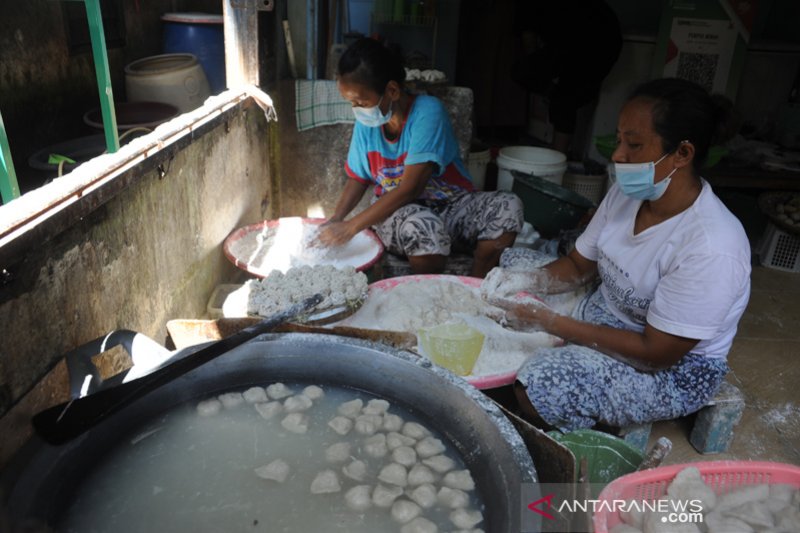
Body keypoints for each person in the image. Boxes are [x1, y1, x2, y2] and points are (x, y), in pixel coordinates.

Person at [481, 78, 751, 432]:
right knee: (512, 266)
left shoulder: (712, 247)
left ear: (682, 154)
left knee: (542, 382)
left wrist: (549, 322)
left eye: (634, 144)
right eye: (620, 139)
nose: (618, 155)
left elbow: (657, 353)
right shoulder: (628, 194)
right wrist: (528, 281)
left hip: (670, 369)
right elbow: (579, 265)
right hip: (606, 309)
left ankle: (575, 432)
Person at [318, 38, 524, 277]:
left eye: (361, 102)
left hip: (451, 209)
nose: (357, 109)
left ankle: (477, 288)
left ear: (392, 91)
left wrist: (351, 228)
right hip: (398, 214)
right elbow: (358, 178)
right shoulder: (366, 124)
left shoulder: (427, 111)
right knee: (424, 228)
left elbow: (411, 188)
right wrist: (336, 219)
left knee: (508, 207)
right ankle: (426, 288)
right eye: (352, 103)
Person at [512, 0, 622, 156]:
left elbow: (529, 44)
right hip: (603, 35)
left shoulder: (529, 7)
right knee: (564, 98)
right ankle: (558, 156)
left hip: (592, 37)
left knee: (563, 99)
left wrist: (546, 83)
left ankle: (556, 159)